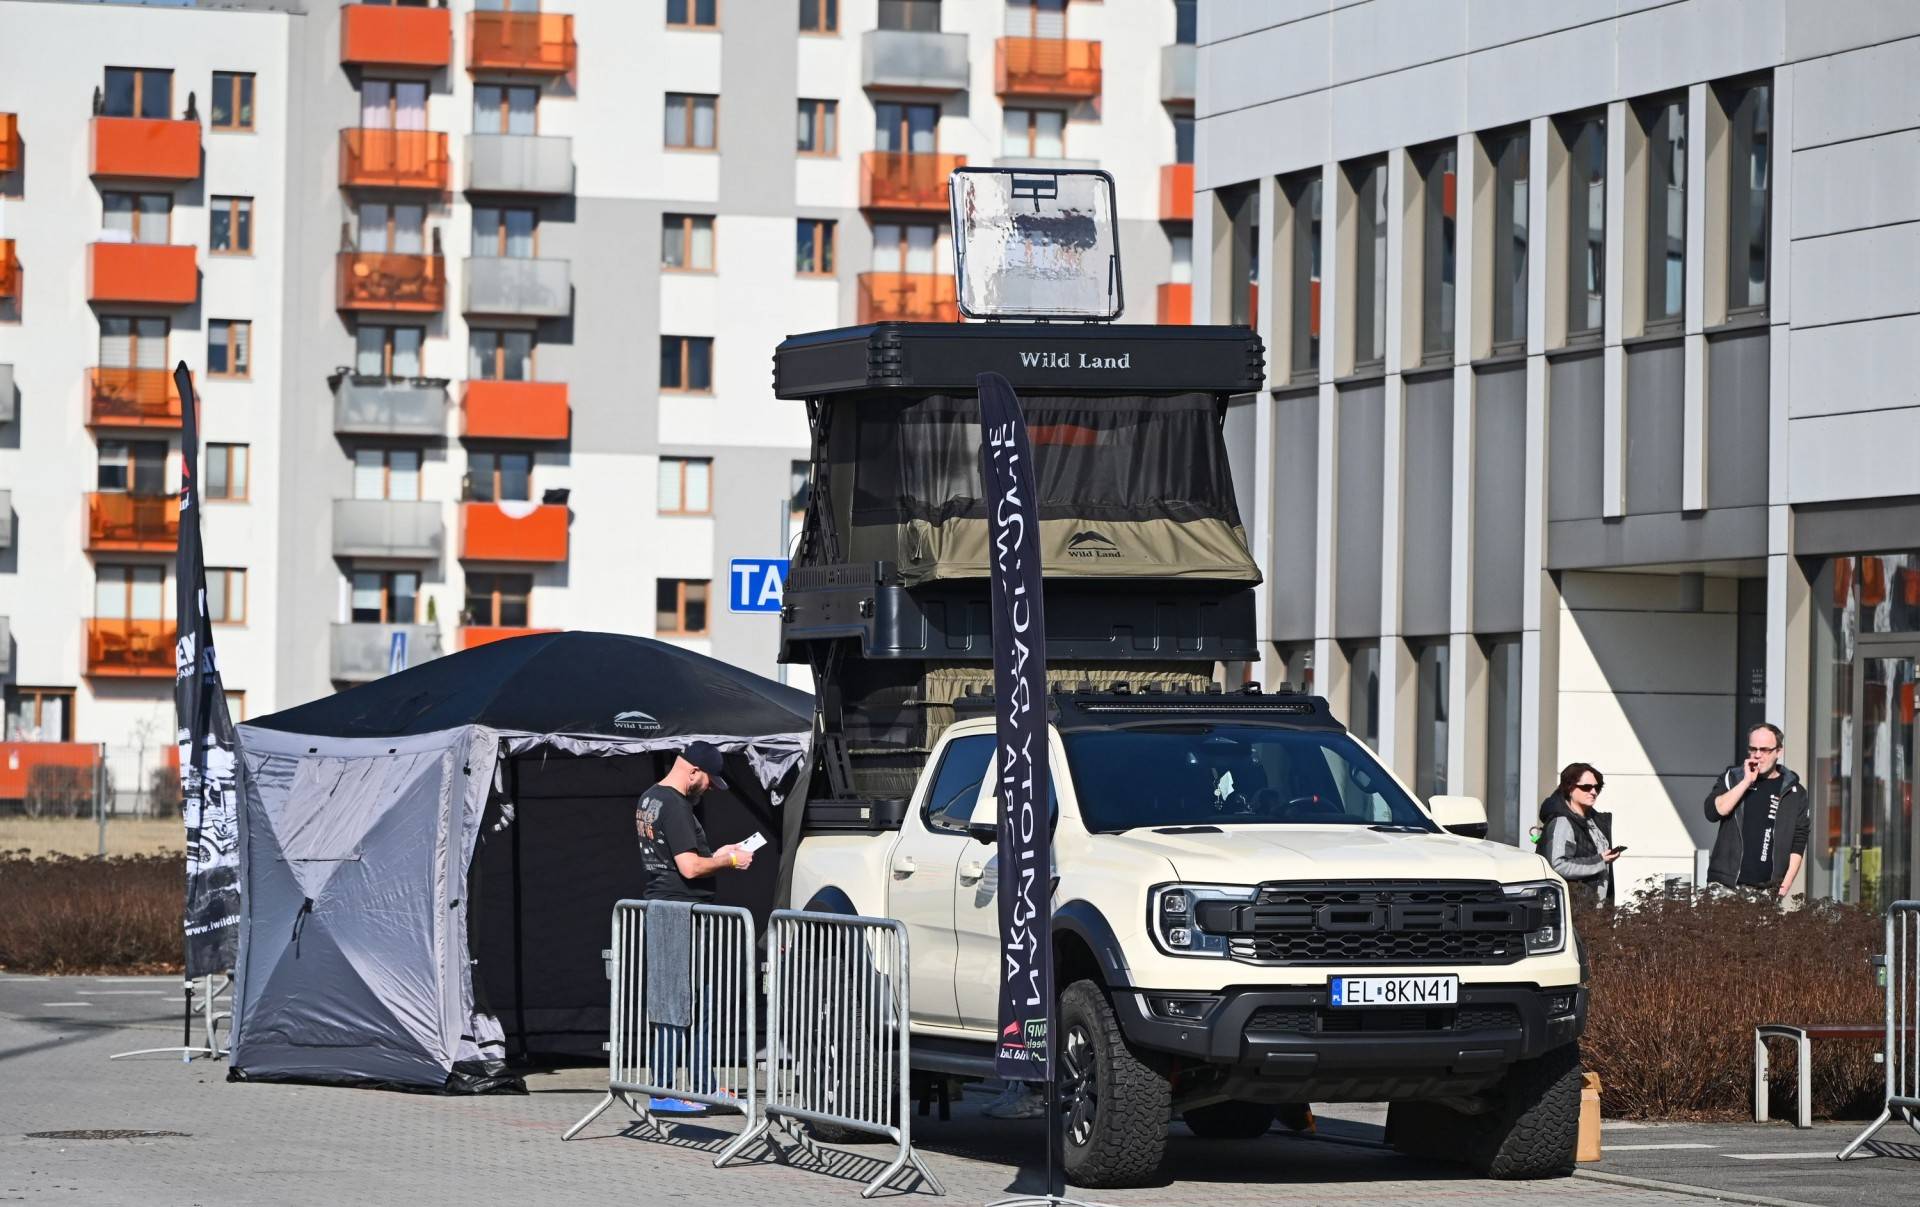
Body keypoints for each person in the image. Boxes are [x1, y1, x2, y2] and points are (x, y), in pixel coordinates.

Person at [635, 741, 753, 1113]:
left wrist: (716, 854)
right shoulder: (674, 805)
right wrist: (730, 861)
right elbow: (688, 868)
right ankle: (663, 1091)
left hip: (670, 910)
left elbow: (680, 859)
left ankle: (703, 1086)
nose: (709, 790)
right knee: (678, 1003)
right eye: (708, 782)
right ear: (694, 771)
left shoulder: (650, 798)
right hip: (680, 913)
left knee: (696, 999)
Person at [1703, 723, 1809, 898]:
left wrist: (1784, 886)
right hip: (1725, 885)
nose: (1758, 755)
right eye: (1753, 749)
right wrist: (1746, 781)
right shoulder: (1733, 778)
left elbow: (1799, 840)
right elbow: (1713, 812)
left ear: (1778, 751)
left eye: (1765, 750)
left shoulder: (1794, 792)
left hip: (1766, 889)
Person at [1533, 763, 1619, 905]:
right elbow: (1558, 865)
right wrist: (1600, 860)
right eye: (1586, 787)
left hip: (1597, 908)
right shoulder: (1562, 822)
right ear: (1570, 788)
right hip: (1574, 909)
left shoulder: (1595, 820)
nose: (1593, 792)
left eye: (1597, 787)